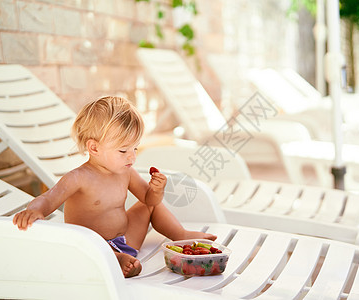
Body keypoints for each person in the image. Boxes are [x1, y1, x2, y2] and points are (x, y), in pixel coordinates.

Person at [13, 96, 216, 278]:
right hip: (93, 246)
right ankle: (116, 261)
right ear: (94, 148)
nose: (132, 156)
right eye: (123, 150)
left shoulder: (125, 171)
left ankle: (179, 234)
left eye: (135, 148)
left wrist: (156, 190)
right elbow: (49, 198)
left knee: (148, 207)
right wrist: (36, 210)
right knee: (98, 249)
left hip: (125, 237)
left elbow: (148, 200)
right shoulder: (78, 178)